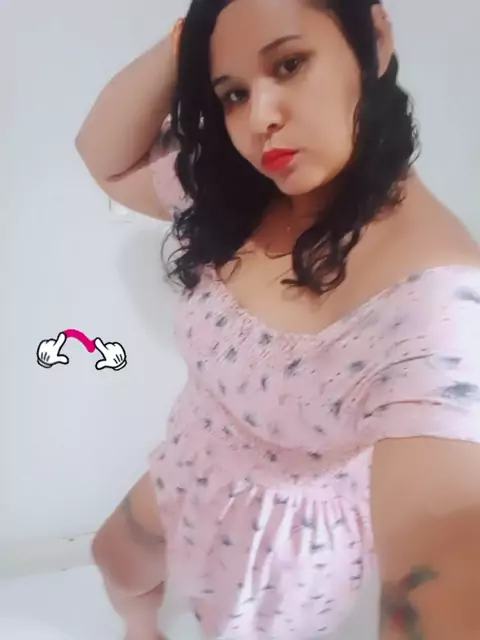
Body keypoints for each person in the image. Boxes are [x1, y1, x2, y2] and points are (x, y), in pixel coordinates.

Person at [75, 1, 480, 639]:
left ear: (374, 39)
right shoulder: (244, 191)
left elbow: (442, 548)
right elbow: (102, 158)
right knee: (114, 561)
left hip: (283, 540)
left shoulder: (439, 306)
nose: (259, 119)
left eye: (289, 64)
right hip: (191, 454)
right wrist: (187, 40)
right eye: (234, 93)